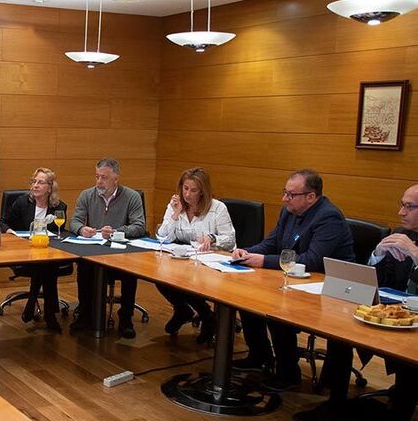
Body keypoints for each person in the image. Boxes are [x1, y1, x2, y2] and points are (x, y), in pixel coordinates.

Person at [294, 183, 418, 421]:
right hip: (391, 312)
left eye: (409, 207)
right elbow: (378, 280)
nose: (401, 212)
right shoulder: (402, 235)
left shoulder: (410, 243)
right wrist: (378, 255)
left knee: (410, 356)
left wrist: (416, 255)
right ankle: (335, 403)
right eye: (401, 204)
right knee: (340, 329)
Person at [231, 169, 354, 390]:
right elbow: (271, 244)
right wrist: (246, 252)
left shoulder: (328, 217)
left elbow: (312, 260)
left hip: (329, 289)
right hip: (295, 280)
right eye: (285, 192)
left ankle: (288, 372)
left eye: (291, 194)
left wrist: (263, 261)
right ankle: (260, 356)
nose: (284, 198)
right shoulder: (289, 212)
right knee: (247, 300)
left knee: (277, 310)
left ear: (311, 196)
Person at [155, 167, 236, 344]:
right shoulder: (176, 204)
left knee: (190, 281)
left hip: (211, 261)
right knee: (160, 278)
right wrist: (175, 214)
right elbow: (163, 237)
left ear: (202, 191)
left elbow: (230, 240)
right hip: (185, 260)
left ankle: (206, 316)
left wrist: (213, 238)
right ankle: (186, 310)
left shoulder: (217, 208)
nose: (187, 194)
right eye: (185, 188)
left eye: (193, 190)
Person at [68, 158, 147, 338]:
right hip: (94, 252)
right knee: (84, 267)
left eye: (104, 177)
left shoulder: (132, 197)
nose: (99, 181)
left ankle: (126, 318)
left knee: (130, 272)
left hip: (121, 253)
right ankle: (85, 314)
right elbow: (74, 221)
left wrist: (116, 232)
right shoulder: (87, 195)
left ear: (116, 178)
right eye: (97, 176)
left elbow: (139, 226)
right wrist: (81, 229)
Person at [1, 167, 67, 332]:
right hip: (24, 252)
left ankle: (32, 302)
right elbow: (3, 222)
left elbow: (58, 233)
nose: (35, 185)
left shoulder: (59, 207)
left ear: (50, 188)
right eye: (34, 181)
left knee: (46, 264)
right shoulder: (23, 202)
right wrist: (10, 231)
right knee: (46, 268)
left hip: (47, 252)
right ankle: (49, 314)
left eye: (40, 182)